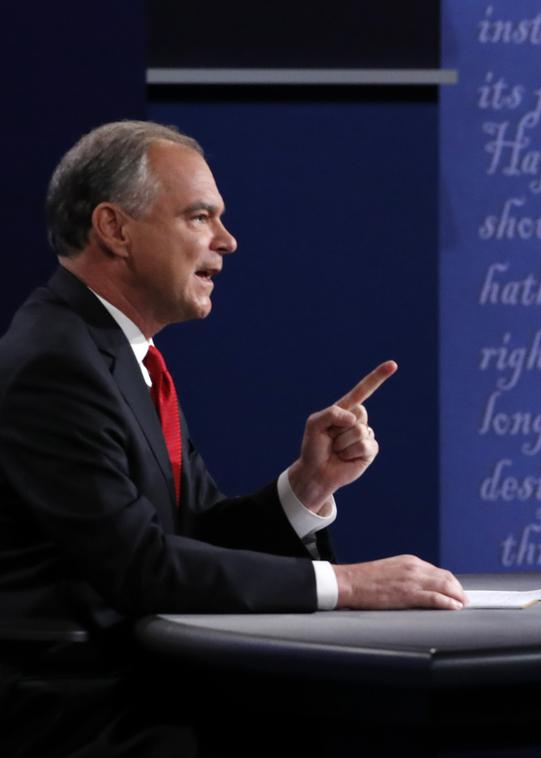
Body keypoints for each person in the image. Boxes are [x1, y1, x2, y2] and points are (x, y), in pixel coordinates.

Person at [0, 121, 466, 755]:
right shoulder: (54, 364)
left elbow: (188, 535)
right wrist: (351, 586)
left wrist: (307, 488)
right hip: (81, 716)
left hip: (144, 692)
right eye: (199, 217)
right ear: (115, 229)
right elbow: (142, 567)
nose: (227, 240)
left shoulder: (115, 354)